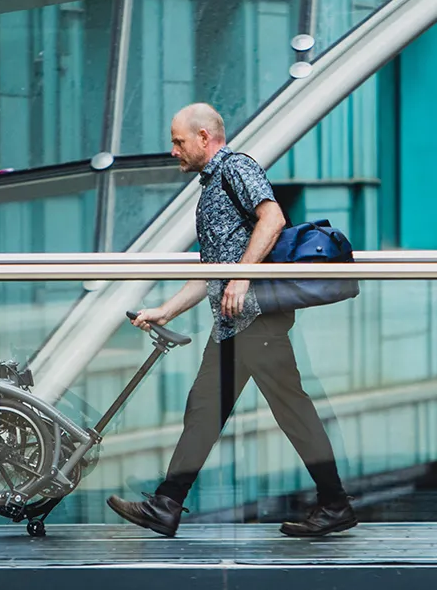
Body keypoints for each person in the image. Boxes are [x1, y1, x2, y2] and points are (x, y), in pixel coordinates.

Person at [106, 103, 358, 538]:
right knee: (206, 410)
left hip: (255, 322)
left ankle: (333, 503)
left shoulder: (235, 167)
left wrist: (242, 276)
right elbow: (211, 272)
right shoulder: (210, 188)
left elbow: (273, 218)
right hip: (235, 325)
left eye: (179, 141)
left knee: (288, 411)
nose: (173, 151)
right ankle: (167, 504)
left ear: (205, 137)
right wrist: (166, 310)